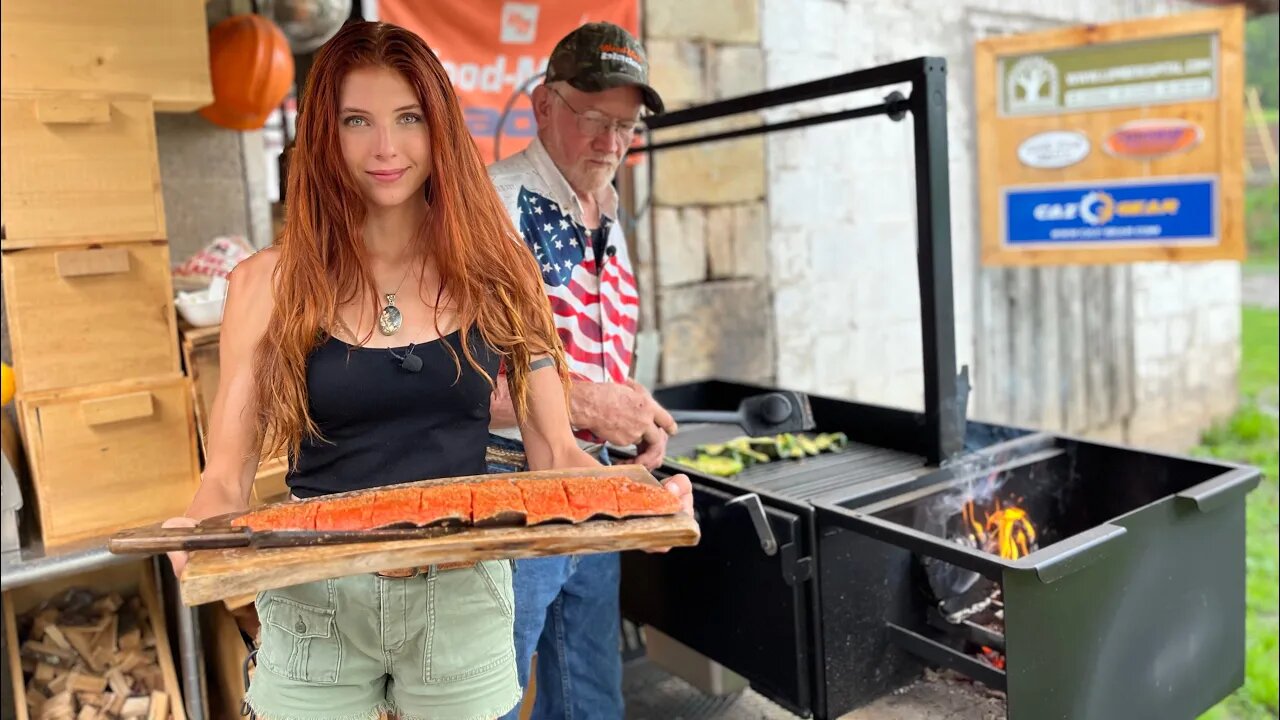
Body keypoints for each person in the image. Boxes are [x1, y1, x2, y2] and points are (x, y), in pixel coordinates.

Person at [160, 21, 693, 720]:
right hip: (315, 594)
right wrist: (199, 532)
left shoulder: (502, 274)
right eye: (358, 121)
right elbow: (225, 476)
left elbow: (556, 454)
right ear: (326, 132)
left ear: (439, 126)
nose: (386, 149)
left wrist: (636, 502)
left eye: (408, 118)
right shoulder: (266, 283)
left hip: (459, 593)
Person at [485, 22, 679, 720]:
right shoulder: (491, 207)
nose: (609, 143)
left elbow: (589, 355)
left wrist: (629, 402)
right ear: (543, 106)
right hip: (506, 489)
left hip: (592, 489)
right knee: (490, 701)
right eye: (593, 119)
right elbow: (459, 386)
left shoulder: (607, 209)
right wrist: (594, 404)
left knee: (592, 700)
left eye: (624, 127)